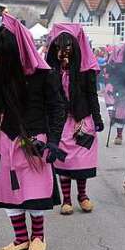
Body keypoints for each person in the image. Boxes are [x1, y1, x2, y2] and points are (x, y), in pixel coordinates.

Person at [0, 12, 66, 250]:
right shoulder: (1, 74)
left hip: (35, 141)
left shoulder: (45, 75)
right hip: (6, 138)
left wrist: (53, 141)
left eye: (3, 53)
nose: (0, 58)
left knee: (34, 191)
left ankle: (38, 236)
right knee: (8, 192)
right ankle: (21, 238)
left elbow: (57, 108)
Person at [46, 24, 103, 214]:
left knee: (81, 161)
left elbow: (92, 96)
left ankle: (82, 195)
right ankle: (66, 199)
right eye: (60, 48)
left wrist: (97, 118)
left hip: (81, 121)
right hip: (61, 123)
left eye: (68, 47)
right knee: (63, 161)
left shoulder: (86, 72)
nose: (64, 53)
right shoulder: (51, 72)